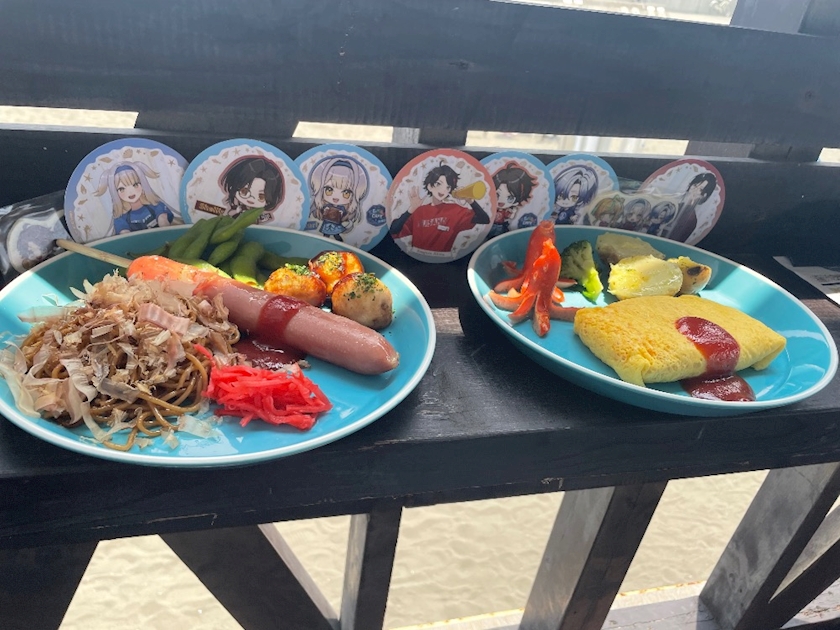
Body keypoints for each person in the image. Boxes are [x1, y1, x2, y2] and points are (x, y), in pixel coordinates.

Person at [390, 162, 490, 253]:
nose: (443, 190)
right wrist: (411, 209)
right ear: (429, 186)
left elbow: (484, 219)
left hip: (445, 259)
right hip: (416, 257)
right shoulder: (418, 211)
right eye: (438, 184)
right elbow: (394, 230)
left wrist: (470, 200)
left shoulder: (455, 210)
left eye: (448, 187)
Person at [96, 162, 176, 234]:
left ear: (142, 184)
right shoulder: (120, 217)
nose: (130, 192)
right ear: (116, 193)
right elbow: (124, 233)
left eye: (135, 185)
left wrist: (162, 221)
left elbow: (163, 219)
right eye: (122, 189)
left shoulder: (155, 205)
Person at [307, 156, 368, 241]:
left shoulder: (342, 208)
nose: (336, 197)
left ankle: (337, 240)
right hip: (326, 223)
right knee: (326, 233)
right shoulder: (325, 206)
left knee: (336, 233)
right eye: (329, 190)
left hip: (336, 224)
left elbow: (343, 213)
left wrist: (341, 213)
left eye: (346, 193)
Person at [220, 157, 284, 222]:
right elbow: (229, 213)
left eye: (261, 197)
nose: (252, 198)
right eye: (244, 191)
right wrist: (236, 211)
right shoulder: (237, 206)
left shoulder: (260, 213)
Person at [664, 172, 717, 242]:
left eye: (700, 189)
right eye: (695, 185)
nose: (695, 190)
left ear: (704, 195)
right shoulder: (672, 205)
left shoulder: (691, 220)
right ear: (690, 185)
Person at [489, 162, 537, 238]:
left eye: (510, 198)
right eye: (497, 195)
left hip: (500, 227)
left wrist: (514, 211)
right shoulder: (492, 209)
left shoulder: (505, 211)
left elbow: (510, 216)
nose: (501, 201)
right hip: (489, 227)